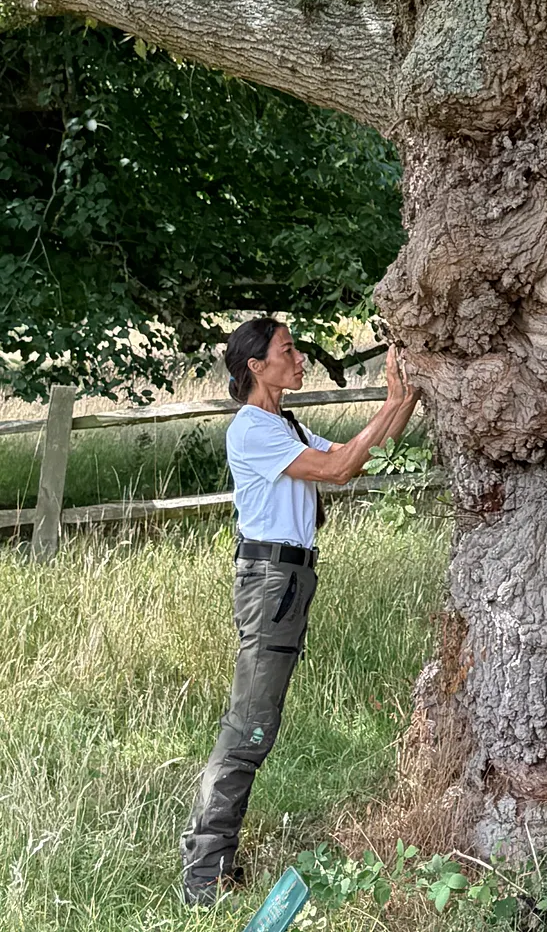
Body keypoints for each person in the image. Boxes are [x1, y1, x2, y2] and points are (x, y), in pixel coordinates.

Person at [180, 318, 420, 905]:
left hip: (285, 579)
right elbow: (337, 470)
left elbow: (348, 456)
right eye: (288, 351)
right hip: (270, 581)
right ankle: (203, 876)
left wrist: (401, 399)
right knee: (248, 728)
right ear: (256, 366)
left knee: (254, 725)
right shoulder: (253, 429)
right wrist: (393, 407)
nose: (300, 358)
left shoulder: (283, 422)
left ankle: (213, 866)